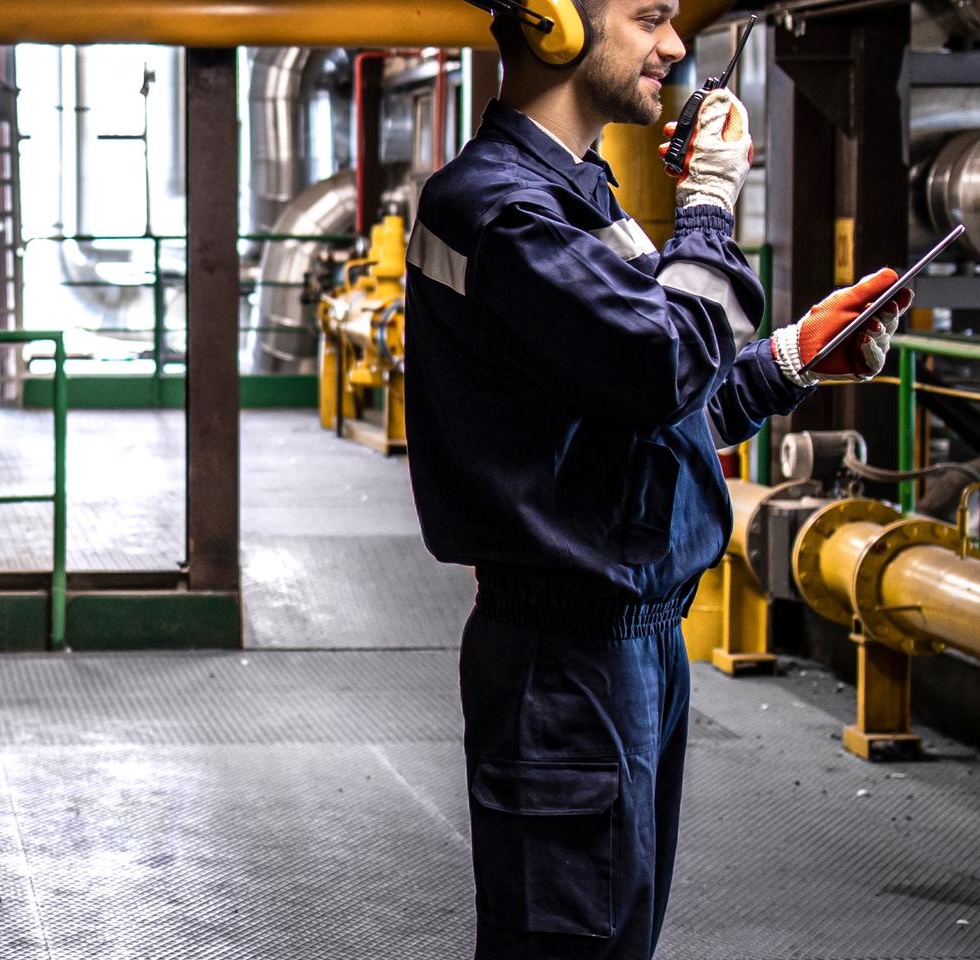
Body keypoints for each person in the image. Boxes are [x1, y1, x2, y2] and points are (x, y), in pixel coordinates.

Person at [401, 1, 909, 957]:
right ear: (553, 23)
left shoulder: (582, 198)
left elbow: (651, 415)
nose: (675, 47)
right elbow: (660, 364)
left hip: (631, 650)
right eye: (651, 17)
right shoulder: (499, 209)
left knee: (614, 938)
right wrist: (709, 205)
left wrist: (791, 359)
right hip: (567, 661)